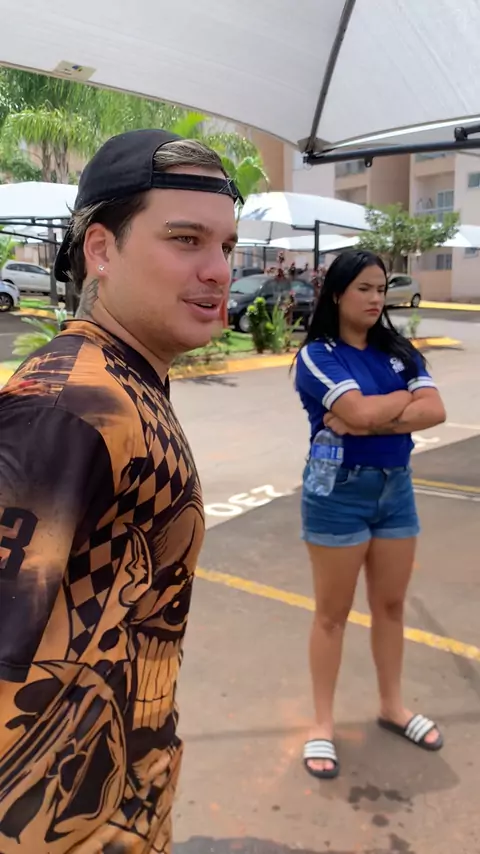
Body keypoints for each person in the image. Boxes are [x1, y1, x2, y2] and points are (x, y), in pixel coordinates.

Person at [0, 129, 239, 852]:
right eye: (186, 240)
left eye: (227, 247)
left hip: (122, 799)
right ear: (101, 250)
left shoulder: (125, 381)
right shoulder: (71, 406)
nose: (219, 270)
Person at [294, 250, 447, 780]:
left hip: (395, 488)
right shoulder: (318, 355)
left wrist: (370, 419)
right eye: (363, 288)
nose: (375, 298)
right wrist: (398, 404)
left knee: (391, 605)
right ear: (338, 294)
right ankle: (321, 724)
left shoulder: (397, 351)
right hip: (338, 492)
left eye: (380, 289)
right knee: (332, 615)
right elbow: (357, 410)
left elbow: (435, 411)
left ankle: (392, 706)